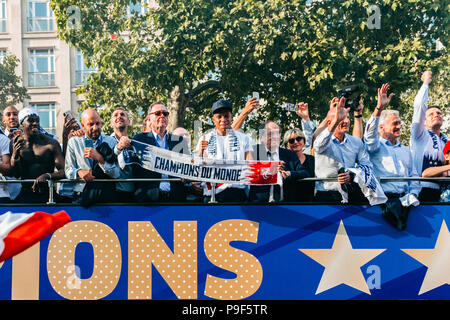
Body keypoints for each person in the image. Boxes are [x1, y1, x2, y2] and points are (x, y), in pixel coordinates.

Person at [364, 83, 421, 230]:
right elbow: (369, 137)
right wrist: (379, 109)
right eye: (395, 123)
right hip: (382, 206)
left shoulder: (406, 151)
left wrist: (413, 195)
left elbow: (414, 177)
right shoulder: (376, 147)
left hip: (407, 205)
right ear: (381, 127)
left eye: (400, 123)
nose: (399, 126)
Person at [313, 96, 373, 203]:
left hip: (351, 194)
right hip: (326, 195)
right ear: (329, 123)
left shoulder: (356, 142)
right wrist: (336, 121)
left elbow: (367, 166)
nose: (345, 121)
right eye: (341, 118)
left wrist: (353, 175)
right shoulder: (323, 140)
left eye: (347, 118)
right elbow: (317, 145)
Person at [196, 99, 253, 203]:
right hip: (212, 193)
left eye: (226, 115)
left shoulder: (244, 139)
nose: (223, 119)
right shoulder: (204, 139)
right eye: (219, 116)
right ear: (213, 119)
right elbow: (197, 166)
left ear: (231, 117)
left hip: (236, 193)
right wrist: (200, 152)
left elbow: (251, 165)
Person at [130, 102, 188, 202]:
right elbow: (129, 166)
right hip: (148, 198)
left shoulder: (179, 141)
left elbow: (187, 168)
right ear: (149, 118)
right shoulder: (139, 140)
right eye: (158, 113)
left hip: (175, 198)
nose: (162, 116)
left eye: (165, 114)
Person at [65, 108, 120, 207]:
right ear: (82, 126)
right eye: (91, 124)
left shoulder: (111, 141)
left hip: (106, 196)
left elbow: (116, 173)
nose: (95, 127)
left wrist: (100, 159)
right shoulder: (74, 142)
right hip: (81, 194)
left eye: (98, 123)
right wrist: (79, 172)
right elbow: (68, 169)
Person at [10, 108, 65, 203]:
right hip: (25, 194)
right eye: (31, 120)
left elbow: (64, 171)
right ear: (21, 124)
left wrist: (47, 176)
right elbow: (16, 174)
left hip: (49, 194)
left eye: (37, 121)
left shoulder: (51, 143)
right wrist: (15, 155)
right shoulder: (15, 143)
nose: (35, 123)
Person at [249, 121, 310, 203]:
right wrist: (269, 170)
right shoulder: (254, 152)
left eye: (277, 133)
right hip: (259, 205)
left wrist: (289, 174)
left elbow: (304, 173)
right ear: (261, 137)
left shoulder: (289, 154)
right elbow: (245, 173)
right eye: (270, 133)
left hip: (285, 204)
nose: (274, 137)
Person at [410, 70, 448, 202]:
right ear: (424, 120)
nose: (436, 115)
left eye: (439, 113)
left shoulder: (446, 140)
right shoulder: (419, 134)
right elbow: (420, 107)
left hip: (442, 191)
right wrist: (425, 83)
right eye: (431, 114)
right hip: (420, 190)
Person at [109, 107, 135, 202]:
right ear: (111, 124)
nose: (119, 116)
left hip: (132, 194)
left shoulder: (135, 143)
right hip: (112, 195)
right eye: (115, 115)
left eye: (122, 114)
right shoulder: (105, 142)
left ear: (128, 121)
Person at [283, 128, 315, 202]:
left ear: (303, 141)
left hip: (310, 201)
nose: (296, 142)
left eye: (299, 139)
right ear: (286, 145)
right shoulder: (283, 161)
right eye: (291, 141)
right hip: (289, 202)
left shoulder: (312, 160)